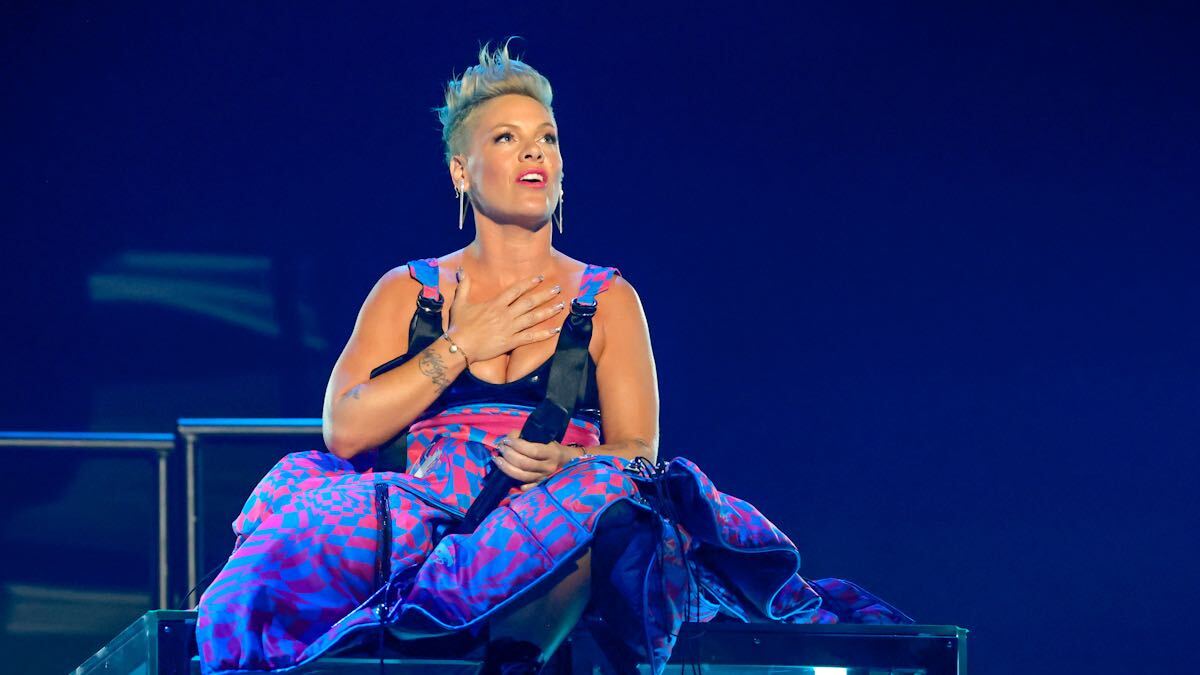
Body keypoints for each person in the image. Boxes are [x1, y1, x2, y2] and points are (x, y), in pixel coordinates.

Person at [196, 40, 910, 675]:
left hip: (559, 510)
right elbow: (345, 430)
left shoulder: (609, 299)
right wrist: (461, 344)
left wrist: (570, 461)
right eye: (507, 138)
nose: (535, 151)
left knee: (615, 497)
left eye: (547, 137)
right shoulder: (406, 291)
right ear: (460, 173)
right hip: (430, 510)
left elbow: (639, 449)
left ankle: (516, 662)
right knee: (292, 539)